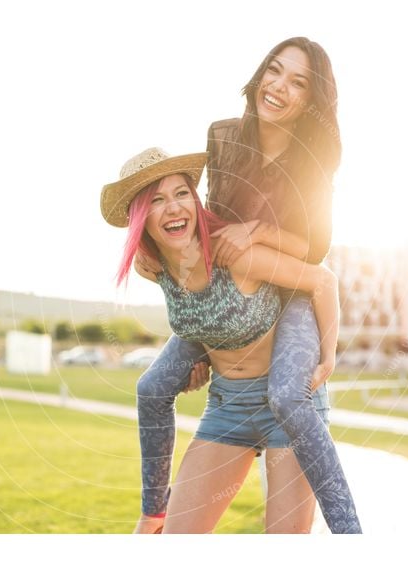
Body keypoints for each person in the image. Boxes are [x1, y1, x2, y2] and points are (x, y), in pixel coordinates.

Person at [131, 37, 354, 533]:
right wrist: (207, 345)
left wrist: (256, 234)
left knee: (286, 394)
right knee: (152, 386)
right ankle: (152, 512)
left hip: (290, 290)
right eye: (274, 71)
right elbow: (210, 217)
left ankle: (353, 539)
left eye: (298, 82)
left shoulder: (312, 161)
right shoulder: (224, 135)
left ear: (312, 102)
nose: (279, 87)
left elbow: (315, 251)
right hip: (233, 297)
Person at [101, 147, 361, 533]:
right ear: (141, 218)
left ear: (195, 198)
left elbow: (322, 281)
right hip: (227, 409)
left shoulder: (235, 254)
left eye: (181, 193)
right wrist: (196, 358)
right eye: (156, 200)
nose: (173, 208)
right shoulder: (152, 268)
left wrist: (327, 356)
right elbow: (201, 319)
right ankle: (151, 513)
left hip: (286, 408)